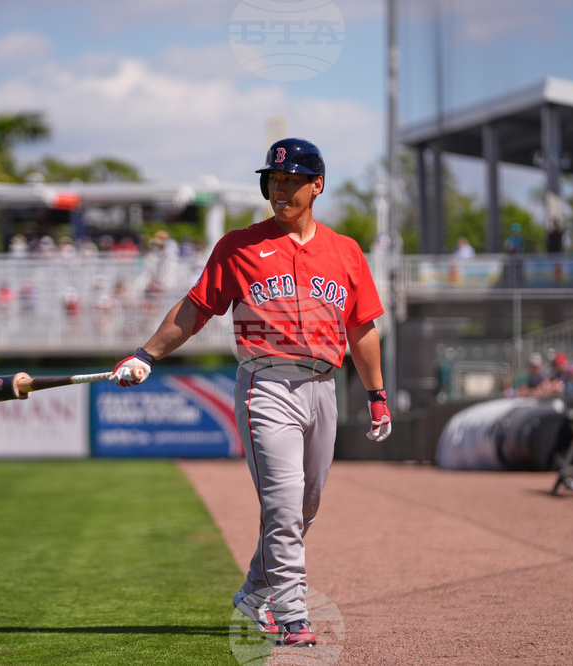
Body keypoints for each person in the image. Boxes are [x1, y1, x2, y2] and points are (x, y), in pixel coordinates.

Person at [110, 138, 391, 647]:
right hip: (266, 384)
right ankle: (292, 614)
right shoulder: (239, 246)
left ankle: (254, 591)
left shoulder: (346, 251)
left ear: (316, 185)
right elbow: (196, 307)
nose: (279, 189)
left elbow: (363, 328)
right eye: (273, 180)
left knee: (305, 505)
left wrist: (376, 394)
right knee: (282, 503)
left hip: (324, 386)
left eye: (290, 180)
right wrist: (146, 354)